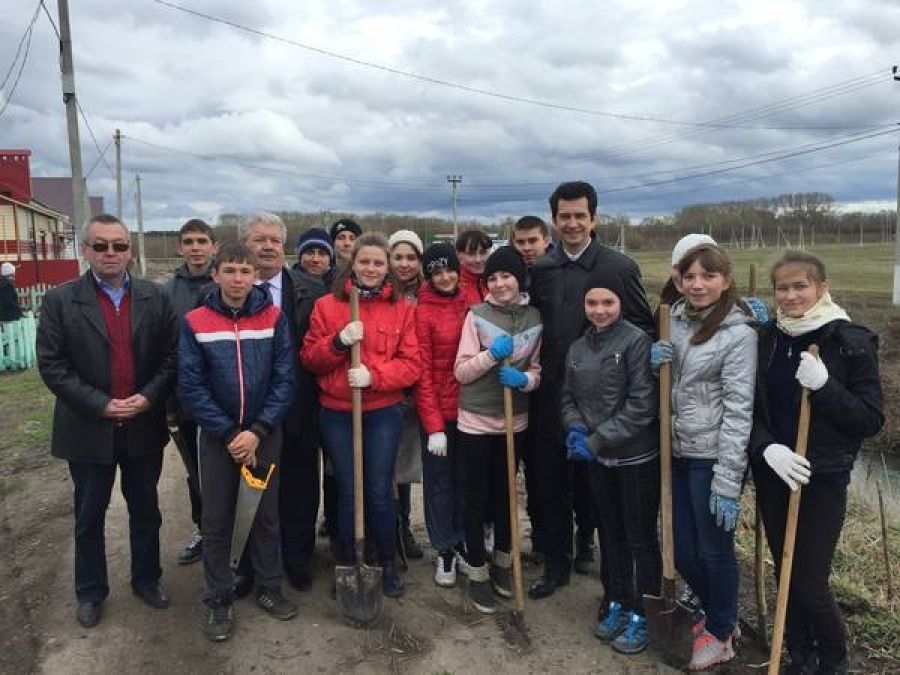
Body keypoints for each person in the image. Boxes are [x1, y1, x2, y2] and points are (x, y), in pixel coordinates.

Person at [36, 214, 177, 628]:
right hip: (87, 427)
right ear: (86, 250)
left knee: (146, 510)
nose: (110, 253)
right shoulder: (61, 300)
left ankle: (147, 579)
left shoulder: (156, 297)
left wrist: (148, 398)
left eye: (118, 245)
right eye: (101, 246)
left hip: (142, 424)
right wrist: (101, 404)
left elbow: (172, 357)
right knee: (89, 514)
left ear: (130, 251)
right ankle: (91, 591)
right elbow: (52, 364)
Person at [748, 251, 883, 675]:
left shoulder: (851, 341)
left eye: (800, 286)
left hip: (822, 476)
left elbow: (868, 420)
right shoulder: (767, 339)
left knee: (808, 580)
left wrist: (824, 386)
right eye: (782, 288)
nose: (790, 296)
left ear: (822, 287)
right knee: (783, 567)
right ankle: (798, 655)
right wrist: (766, 447)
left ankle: (832, 660)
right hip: (775, 471)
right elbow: (749, 409)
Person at [528, 181, 655, 600]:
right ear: (554, 219)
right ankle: (555, 560)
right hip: (549, 392)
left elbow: (642, 328)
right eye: (564, 216)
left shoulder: (618, 268)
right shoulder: (543, 269)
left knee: (594, 484)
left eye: (580, 215)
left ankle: (591, 548)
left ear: (594, 218)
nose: (572, 223)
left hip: (601, 398)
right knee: (548, 481)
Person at [179, 242, 297, 642]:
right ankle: (218, 597)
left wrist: (257, 431)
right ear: (215, 275)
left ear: (255, 276)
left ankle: (268, 586)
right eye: (229, 270)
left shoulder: (274, 317)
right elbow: (191, 385)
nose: (237, 279)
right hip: (217, 439)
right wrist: (230, 433)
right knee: (216, 519)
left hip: (263, 435)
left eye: (244, 271)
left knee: (265, 515)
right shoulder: (194, 321)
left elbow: (285, 378)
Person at [301, 232, 421, 597]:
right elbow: (310, 359)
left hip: (382, 411)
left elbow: (412, 365)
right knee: (348, 490)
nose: (370, 268)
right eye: (364, 262)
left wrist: (375, 376)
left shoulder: (403, 308)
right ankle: (350, 562)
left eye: (378, 263)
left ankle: (385, 562)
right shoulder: (327, 306)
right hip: (337, 412)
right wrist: (338, 343)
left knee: (379, 490)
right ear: (352, 264)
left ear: (388, 269)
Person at [655, 243, 756, 671]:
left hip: (712, 455)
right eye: (690, 276)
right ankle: (723, 618)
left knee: (715, 551)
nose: (697, 284)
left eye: (708, 276)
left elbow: (739, 409)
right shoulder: (672, 320)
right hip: (675, 449)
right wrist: (652, 361)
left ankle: (720, 632)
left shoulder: (740, 334)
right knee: (679, 549)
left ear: (725, 281)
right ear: (679, 278)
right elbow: (669, 387)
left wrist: (728, 480)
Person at [561, 269, 660, 655]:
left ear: (620, 304)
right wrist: (574, 429)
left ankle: (644, 612)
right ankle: (618, 600)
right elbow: (568, 396)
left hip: (635, 457)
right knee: (611, 534)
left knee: (640, 538)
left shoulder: (636, 342)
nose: (599, 310)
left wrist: (598, 438)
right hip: (598, 460)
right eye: (592, 303)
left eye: (608, 303)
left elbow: (641, 404)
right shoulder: (578, 348)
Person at [240, 213, 327, 593]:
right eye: (260, 239)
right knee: (247, 492)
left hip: (298, 410)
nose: (269, 246)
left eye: (275, 240)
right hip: (246, 413)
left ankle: (297, 560)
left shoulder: (311, 290)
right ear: (245, 243)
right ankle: (246, 566)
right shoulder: (226, 289)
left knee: (300, 490)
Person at [453, 246, 542, 614]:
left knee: (507, 497)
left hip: (515, 422)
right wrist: (490, 356)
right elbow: (461, 371)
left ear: (519, 279)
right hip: (476, 421)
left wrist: (524, 380)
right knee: (476, 499)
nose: (500, 283)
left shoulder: (535, 317)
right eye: (492, 278)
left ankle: (504, 565)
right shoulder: (477, 316)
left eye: (506, 276)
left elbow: (539, 370)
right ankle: (477, 572)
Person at [415, 242, 470, 586]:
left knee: (467, 483)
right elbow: (422, 373)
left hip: (474, 412)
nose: (445, 277)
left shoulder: (472, 303)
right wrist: (434, 425)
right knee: (439, 484)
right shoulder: (422, 311)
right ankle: (445, 548)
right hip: (440, 414)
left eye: (449, 269)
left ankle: (464, 540)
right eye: (436, 271)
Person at [165, 218, 217, 566]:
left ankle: (232, 533)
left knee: (229, 471)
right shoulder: (167, 292)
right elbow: (164, 347)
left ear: (213, 246)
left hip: (226, 400)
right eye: (189, 241)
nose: (196, 247)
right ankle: (204, 529)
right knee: (196, 471)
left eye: (202, 241)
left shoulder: (229, 279)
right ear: (180, 247)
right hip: (186, 400)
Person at [387, 229, 426, 560]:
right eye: (397, 257)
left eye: (411, 257)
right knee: (381, 467)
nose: (404, 264)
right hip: (386, 390)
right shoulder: (381, 294)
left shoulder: (428, 294)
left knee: (404, 468)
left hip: (416, 395)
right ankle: (386, 530)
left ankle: (403, 527)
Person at [455, 228, 491, 307]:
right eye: (471, 254)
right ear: (459, 255)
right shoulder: (453, 285)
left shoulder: (499, 281)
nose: (478, 260)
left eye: (483, 252)